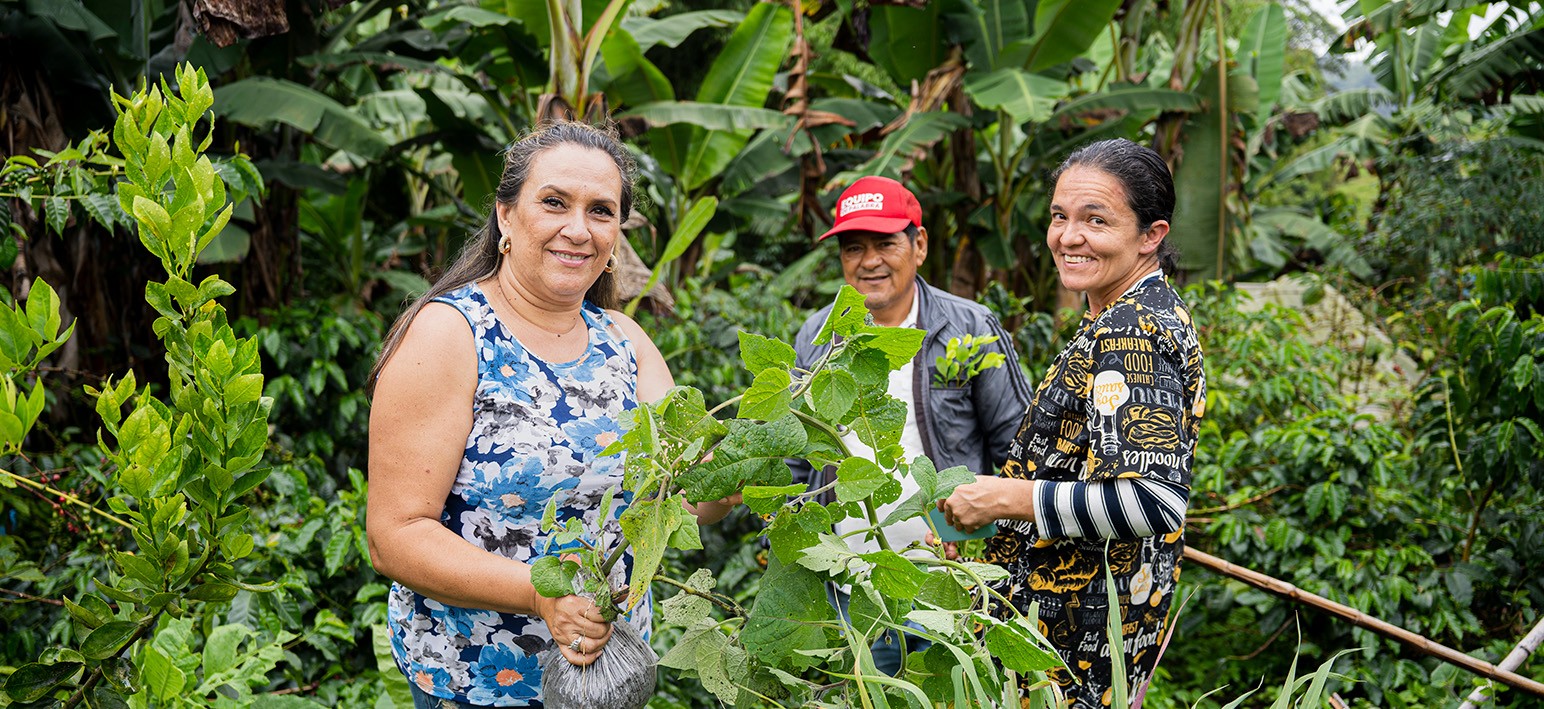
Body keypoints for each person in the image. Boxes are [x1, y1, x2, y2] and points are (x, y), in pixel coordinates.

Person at [366, 121, 738, 708]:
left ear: (617, 234)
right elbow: (396, 536)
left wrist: (730, 475)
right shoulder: (451, 334)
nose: (578, 229)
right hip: (478, 685)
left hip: (606, 686)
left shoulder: (625, 341)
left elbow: (690, 502)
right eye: (554, 203)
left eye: (601, 211)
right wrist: (540, 596)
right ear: (506, 217)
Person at [936, 139, 1207, 706]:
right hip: (1072, 641)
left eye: (1096, 220)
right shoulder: (1133, 315)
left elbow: (1153, 502)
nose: (1068, 237)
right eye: (1060, 217)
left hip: (1076, 657)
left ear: (1151, 235)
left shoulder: (1132, 331)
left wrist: (1005, 500)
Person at [790, 175, 1034, 674]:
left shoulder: (970, 328)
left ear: (919, 244)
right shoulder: (817, 336)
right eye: (853, 247)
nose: (869, 261)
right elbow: (797, 457)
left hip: (951, 574)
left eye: (885, 243)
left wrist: (978, 533)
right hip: (852, 582)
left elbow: (1020, 449)